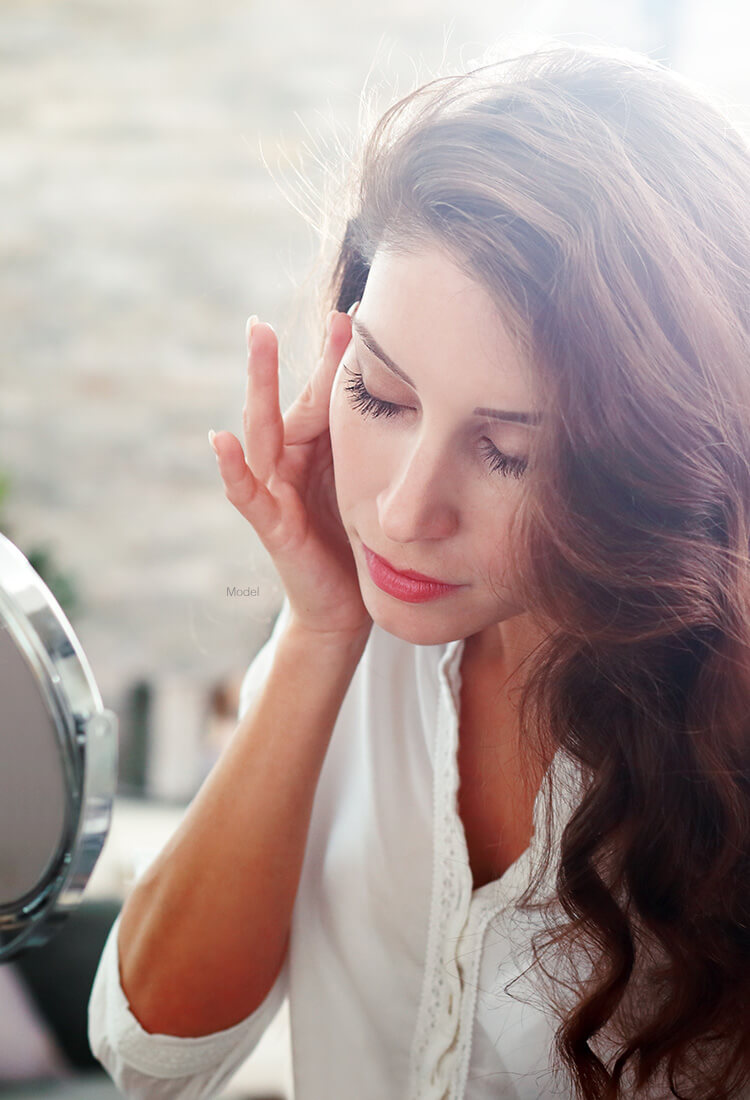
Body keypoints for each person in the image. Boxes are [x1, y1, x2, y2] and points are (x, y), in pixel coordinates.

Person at [87, 38, 750, 1099]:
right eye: (382, 398)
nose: (401, 512)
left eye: (510, 452)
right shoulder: (355, 635)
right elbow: (154, 1053)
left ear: (656, 466)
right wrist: (316, 636)